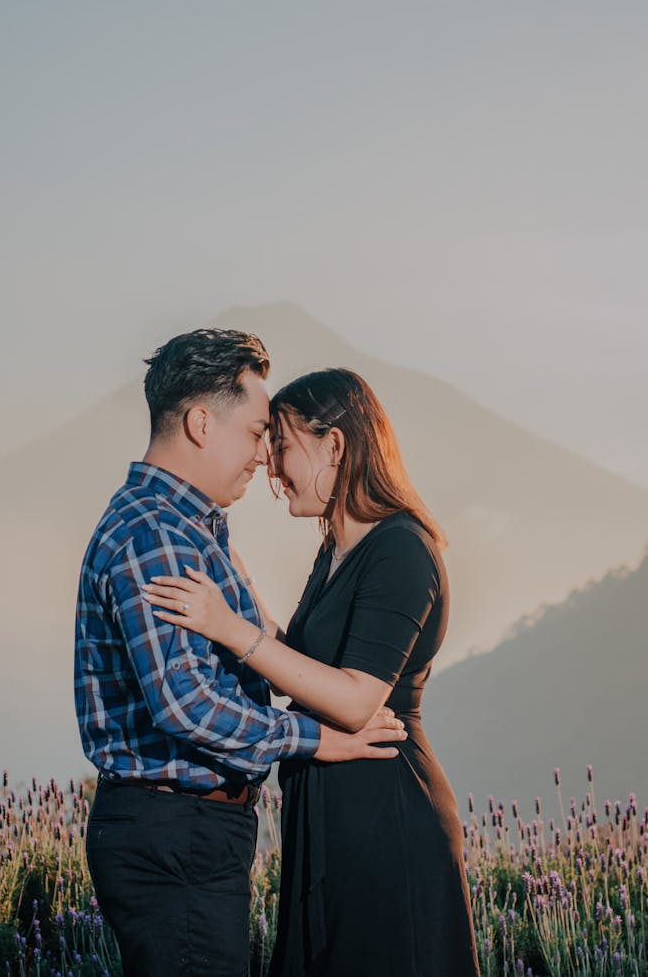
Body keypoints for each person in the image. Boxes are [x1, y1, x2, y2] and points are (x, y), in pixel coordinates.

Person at [74, 333, 406, 977]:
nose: (264, 456)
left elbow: (252, 649)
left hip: (188, 832)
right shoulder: (156, 535)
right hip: (177, 833)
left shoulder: (191, 526)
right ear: (201, 423)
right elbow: (185, 703)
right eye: (256, 432)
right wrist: (315, 738)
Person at [145, 367, 481, 977]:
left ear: (336, 445)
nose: (271, 466)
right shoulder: (337, 548)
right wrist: (239, 590)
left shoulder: (402, 549)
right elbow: (297, 669)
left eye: (282, 445)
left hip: (384, 816)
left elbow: (355, 699)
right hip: (327, 812)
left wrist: (230, 628)